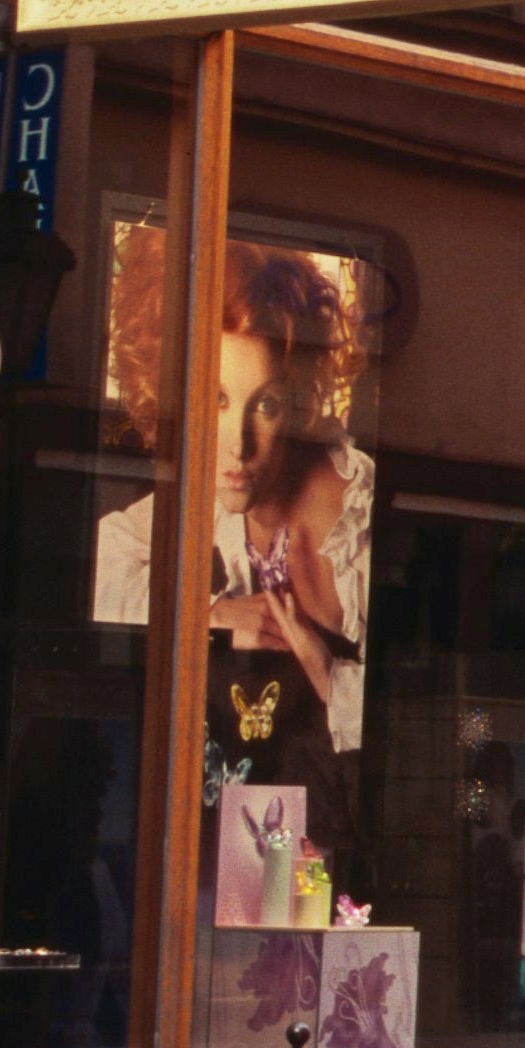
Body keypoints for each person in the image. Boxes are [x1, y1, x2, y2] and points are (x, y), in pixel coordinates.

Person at [201, 244, 365, 871]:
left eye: (263, 404)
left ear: (296, 404)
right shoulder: (204, 501)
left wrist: (325, 670)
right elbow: (112, 574)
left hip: (331, 842)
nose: (236, 443)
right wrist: (217, 612)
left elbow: (390, 712)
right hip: (243, 840)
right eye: (217, 400)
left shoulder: (352, 513)